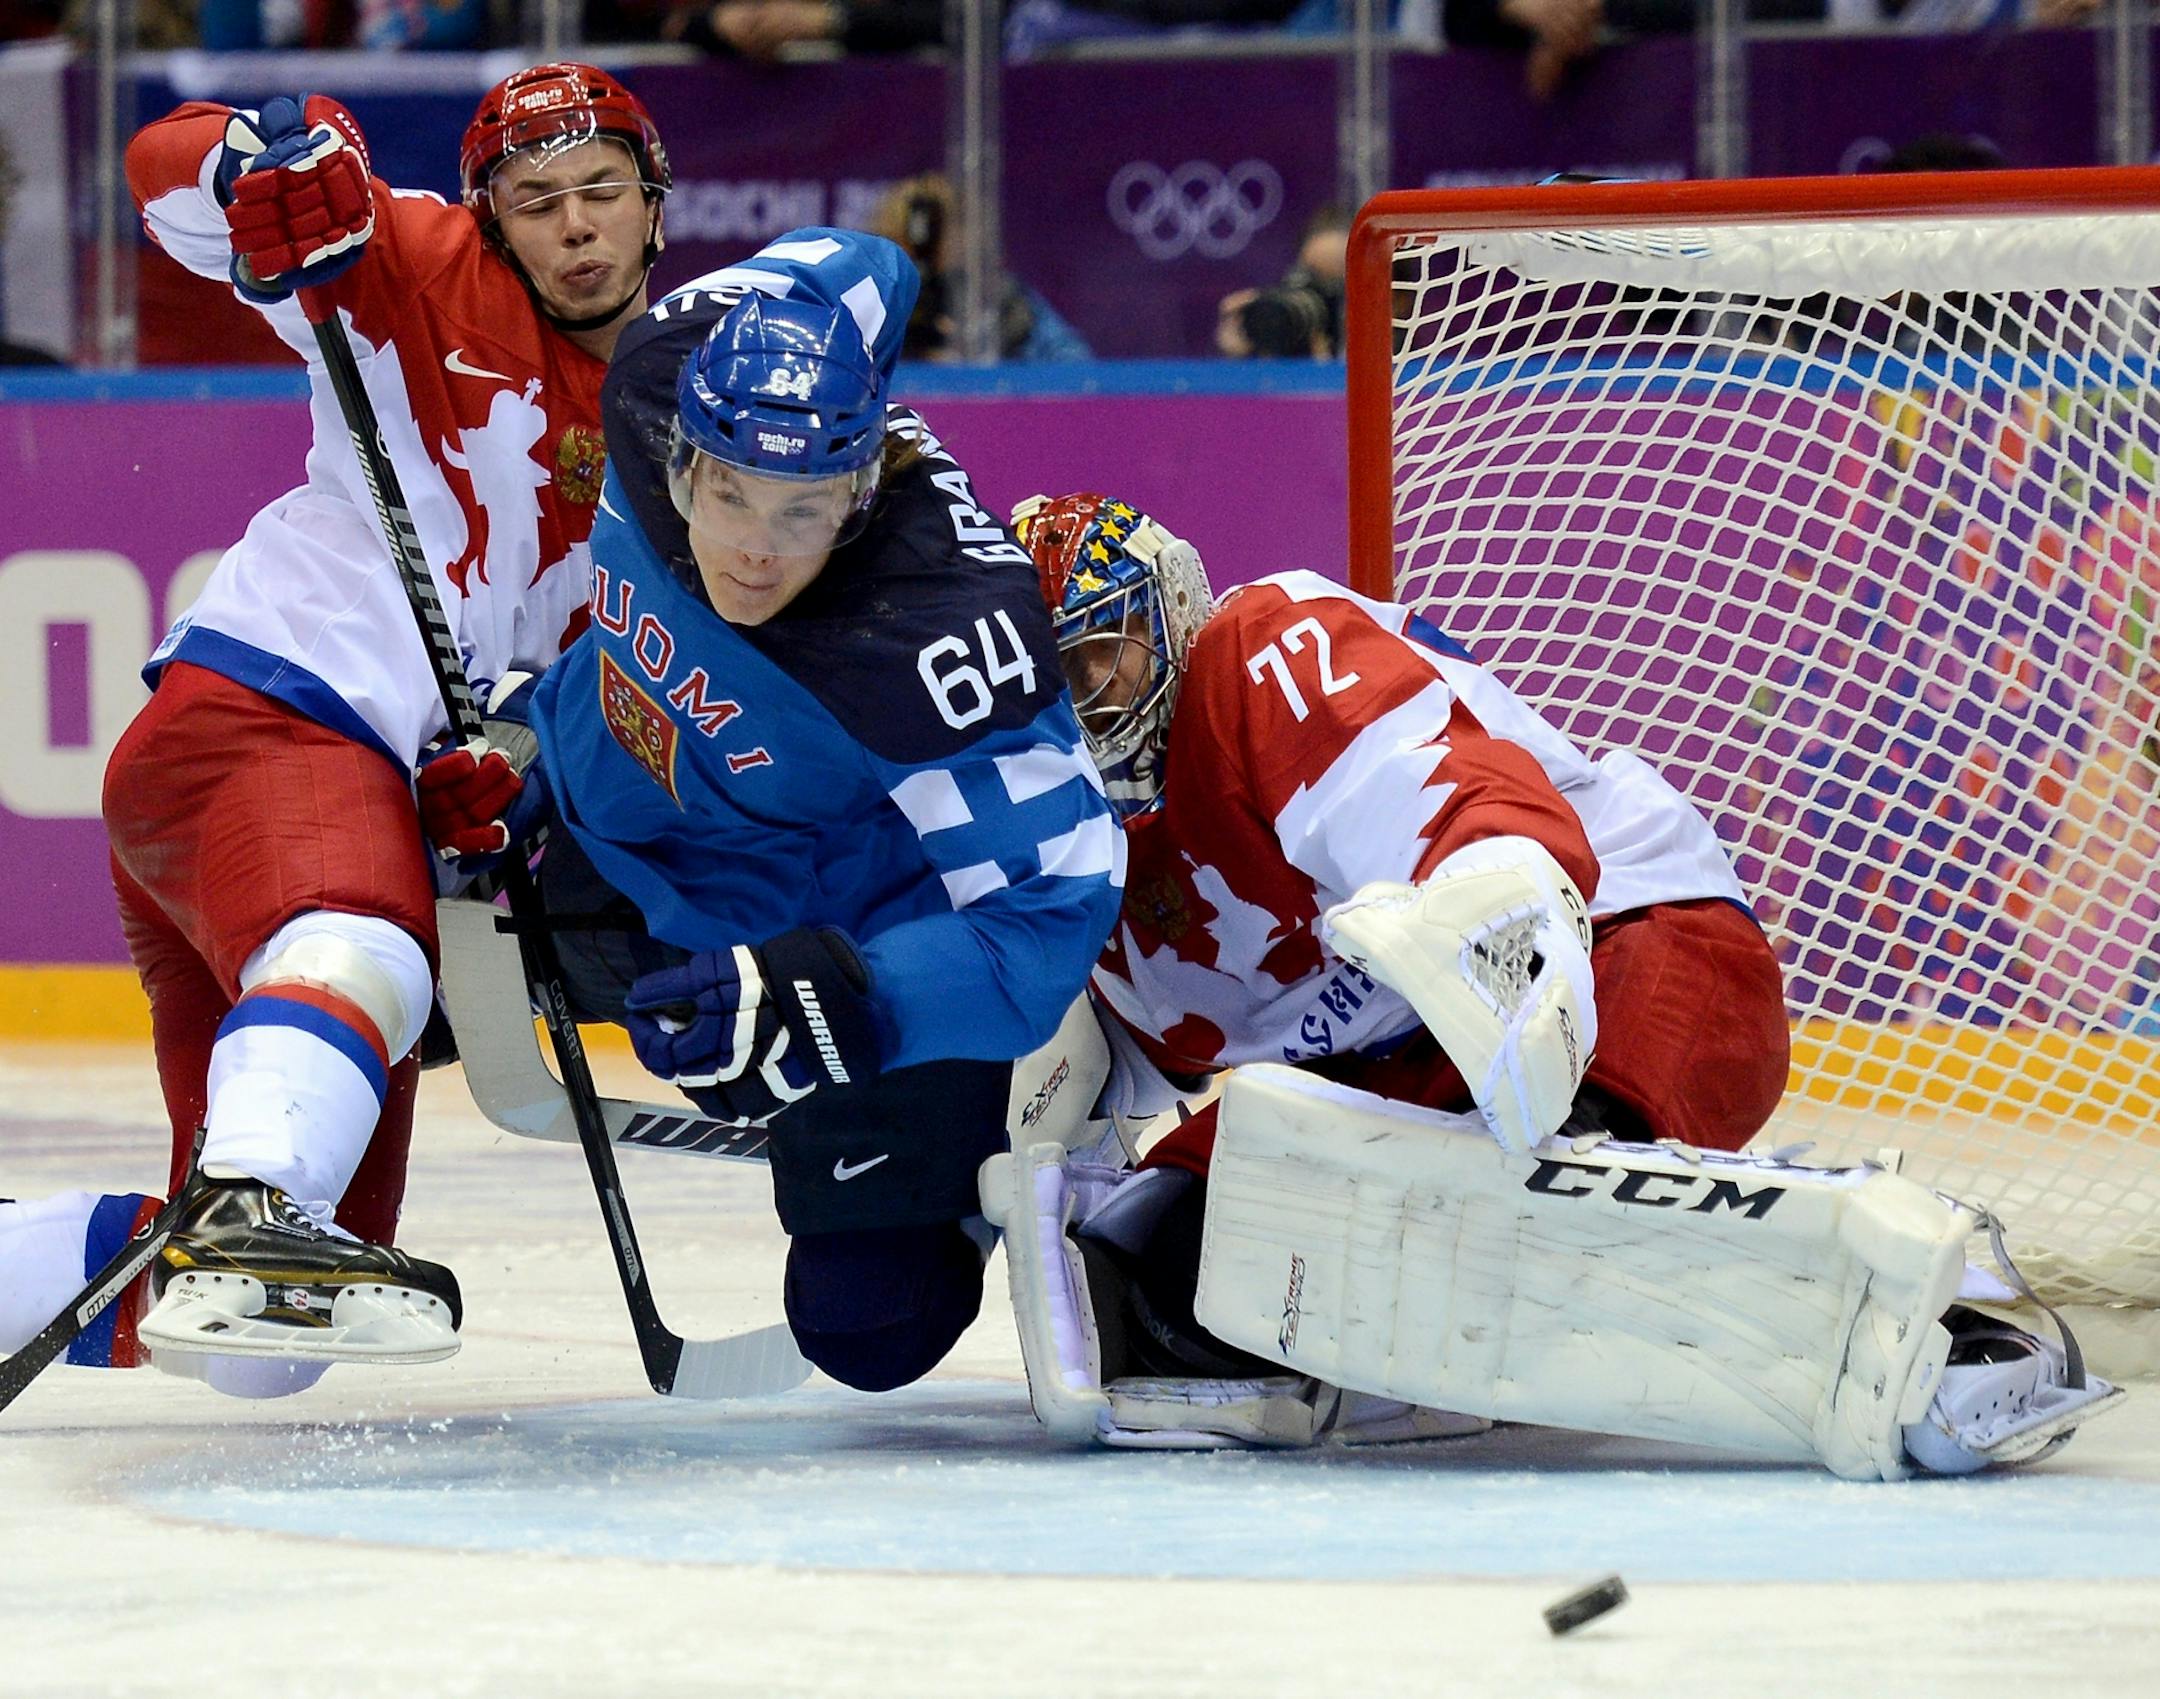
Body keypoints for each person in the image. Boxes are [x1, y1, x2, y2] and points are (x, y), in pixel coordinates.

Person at [987, 492, 2118, 1474]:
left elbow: (1458, 806)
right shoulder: (1071, 855)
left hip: (1625, 937)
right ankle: (1421, 1333)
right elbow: (1094, 1072)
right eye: (1049, 685)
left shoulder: (1263, 652)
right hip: (1408, 1072)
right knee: (1145, 1277)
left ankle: (1958, 1295)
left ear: (1173, 611)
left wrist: (1497, 931)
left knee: (1547, 1192)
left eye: (1104, 655)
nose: (1085, 705)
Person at [0, 64, 671, 1393]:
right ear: (492, 214)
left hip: (325, 802)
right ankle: (254, 1183)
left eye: (602, 191)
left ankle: (212, 1213)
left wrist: (516, 767)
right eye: (538, 202)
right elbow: (162, 174)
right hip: (264, 719)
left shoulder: (681, 418)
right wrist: (253, 168)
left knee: (272, 1326)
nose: (577, 226)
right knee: (359, 961)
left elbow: (586, 666)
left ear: (656, 204)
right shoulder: (411, 258)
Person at [458, 229, 1124, 1393]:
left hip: (817, 922)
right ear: (686, 457)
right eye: (730, 496)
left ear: (861, 492)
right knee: (346, 910)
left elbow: (1056, 916)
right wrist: (533, 728)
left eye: (804, 513)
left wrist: (848, 1001)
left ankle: (988, 1129)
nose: (754, 554)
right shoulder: (659, 372)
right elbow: (870, 261)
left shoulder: (936, 645)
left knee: (870, 1328)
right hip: (602, 832)